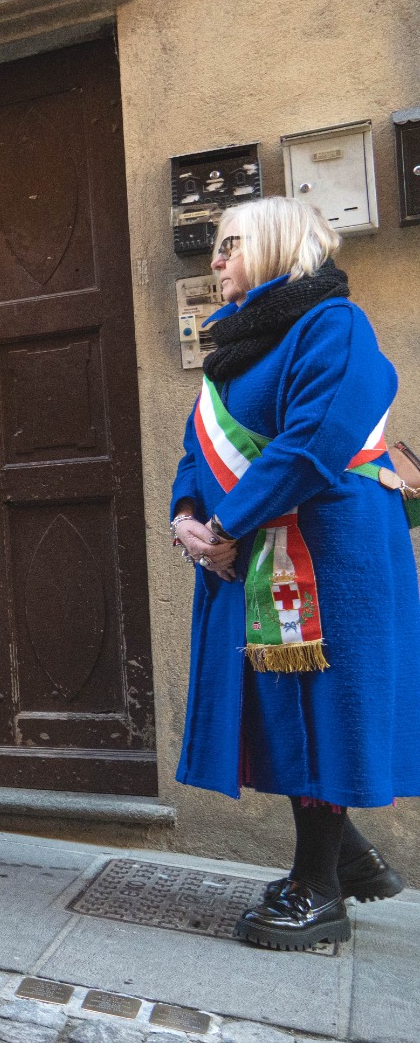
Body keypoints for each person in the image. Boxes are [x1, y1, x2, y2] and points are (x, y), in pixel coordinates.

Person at [171, 196, 416, 952]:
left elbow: (315, 440)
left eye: (230, 244)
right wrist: (185, 517)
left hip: (329, 556)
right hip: (250, 553)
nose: (214, 261)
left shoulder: (333, 326)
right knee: (281, 711)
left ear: (279, 244)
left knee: (320, 709)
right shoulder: (233, 349)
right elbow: (194, 451)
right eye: (214, 247)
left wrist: (225, 525)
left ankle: (319, 892)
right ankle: (343, 857)